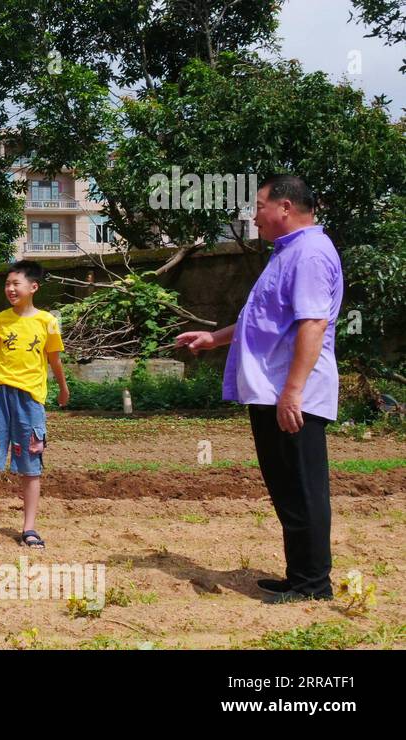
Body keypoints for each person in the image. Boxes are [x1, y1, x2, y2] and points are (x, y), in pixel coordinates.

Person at [176, 174, 342, 603]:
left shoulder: (307, 255)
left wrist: (293, 391)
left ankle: (312, 586)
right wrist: (214, 339)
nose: (254, 216)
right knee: (287, 487)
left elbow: (312, 324)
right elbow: (264, 321)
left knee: (303, 487)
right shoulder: (287, 253)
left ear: (285, 207)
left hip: (291, 394)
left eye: (260, 205)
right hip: (274, 392)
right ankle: (300, 576)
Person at [0, 261, 68, 548]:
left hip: (30, 400)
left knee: (31, 464)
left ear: (33, 287)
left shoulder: (47, 322)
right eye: (7, 284)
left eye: (15, 283)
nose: (10, 288)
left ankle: (29, 528)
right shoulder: (0, 320)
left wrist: (63, 388)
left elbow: (54, 359)